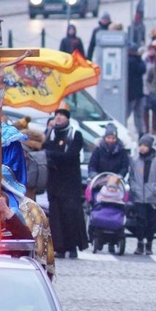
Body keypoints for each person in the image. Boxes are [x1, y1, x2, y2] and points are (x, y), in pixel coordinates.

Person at [43, 102, 86, 258]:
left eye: (62, 114)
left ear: (67, 118)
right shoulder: (50, 133)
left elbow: (71, 155)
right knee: (56, 215)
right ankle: (59, 247)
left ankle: (72, 246)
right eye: (57, 114)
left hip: (70, 183)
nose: (58, 117)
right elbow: (43, 150)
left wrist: (51, 155)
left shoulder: (75, 134)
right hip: (54, 182)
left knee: (70, 215)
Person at [129, 134, 156, 255]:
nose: (142, 148)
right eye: (141, 145)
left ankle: (149, 244)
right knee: (140, 221)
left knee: (151, 223)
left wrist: (154, 190)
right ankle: (139, 243)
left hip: (153, 198)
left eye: (145, 145)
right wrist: (135, 189)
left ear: (150, 147)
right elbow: (132, 177)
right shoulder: (135, 161)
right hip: (139, 197)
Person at [127, 46, 147, 136]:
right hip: (135, 92)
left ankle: (140, 132)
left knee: (136, 114)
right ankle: (140, 132)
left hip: (134, 93)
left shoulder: (132, 60)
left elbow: (142, 69)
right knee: (135, 114)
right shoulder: (133, 61)